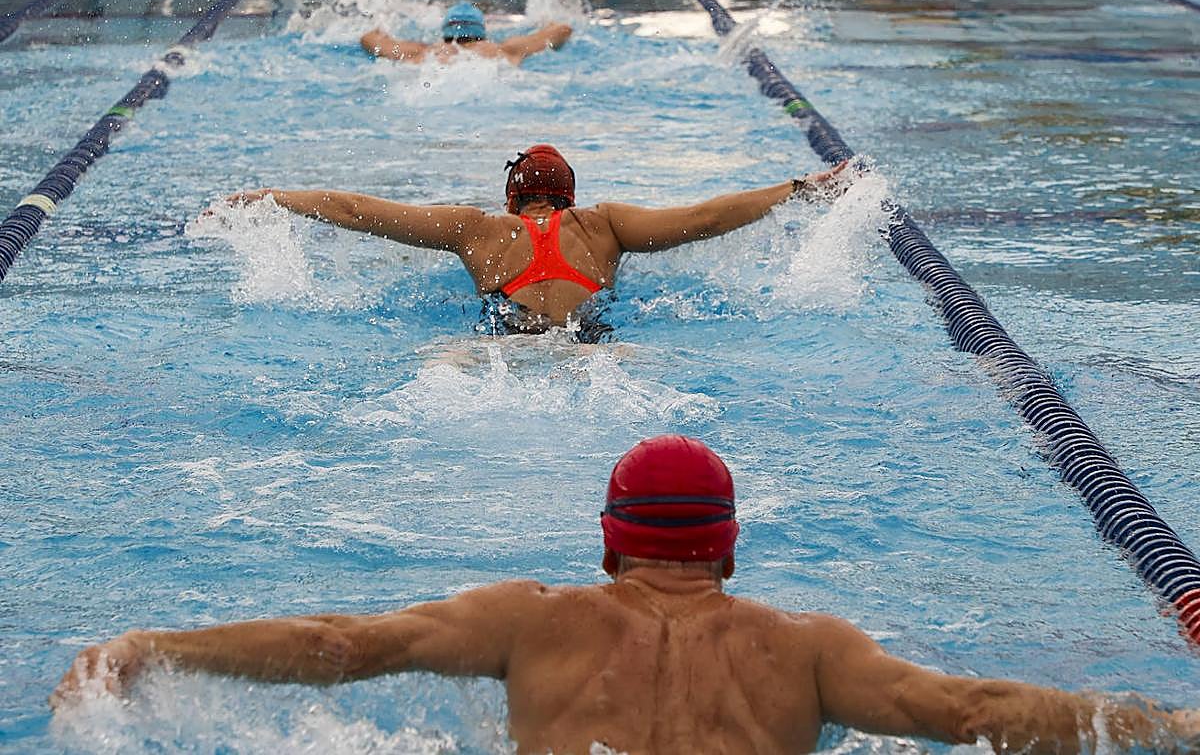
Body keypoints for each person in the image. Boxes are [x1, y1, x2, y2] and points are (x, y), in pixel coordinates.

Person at [53, 435, 1198, 755]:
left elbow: (340, 642)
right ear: (731, 552)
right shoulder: (811, 652)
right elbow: (978, 715)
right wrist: (1173, 728)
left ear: (608, 549)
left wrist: (153, 643)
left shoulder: (529, 620)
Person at [215, 144, 851, 341]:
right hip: (592, 348)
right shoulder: (605, 225)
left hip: (502, 344)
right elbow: (709, 216)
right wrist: (800, 187)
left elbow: (357, 209)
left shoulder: (477, 230)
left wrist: (273, 198)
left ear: (511, 202)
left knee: (450, 364)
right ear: (568, 198)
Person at [361, 0, 572, 66]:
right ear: (481, 32)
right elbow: (563, 30)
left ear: (445, 32)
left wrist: (383, 21)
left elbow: (370, 40)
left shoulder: (421, 52)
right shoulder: (505, 50)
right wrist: (545, 20)